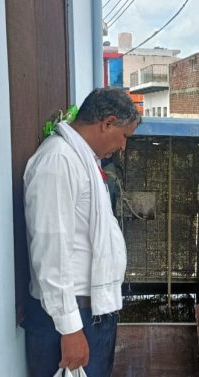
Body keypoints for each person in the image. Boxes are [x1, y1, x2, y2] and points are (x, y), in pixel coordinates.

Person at [22, 87, 140, 377]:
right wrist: (70, 328)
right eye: (124, 136)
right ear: (107, 123)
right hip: (69, 318)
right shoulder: (58, 162)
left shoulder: (82, 160)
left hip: (89, 313)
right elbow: (51, 251)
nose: (123, 147)